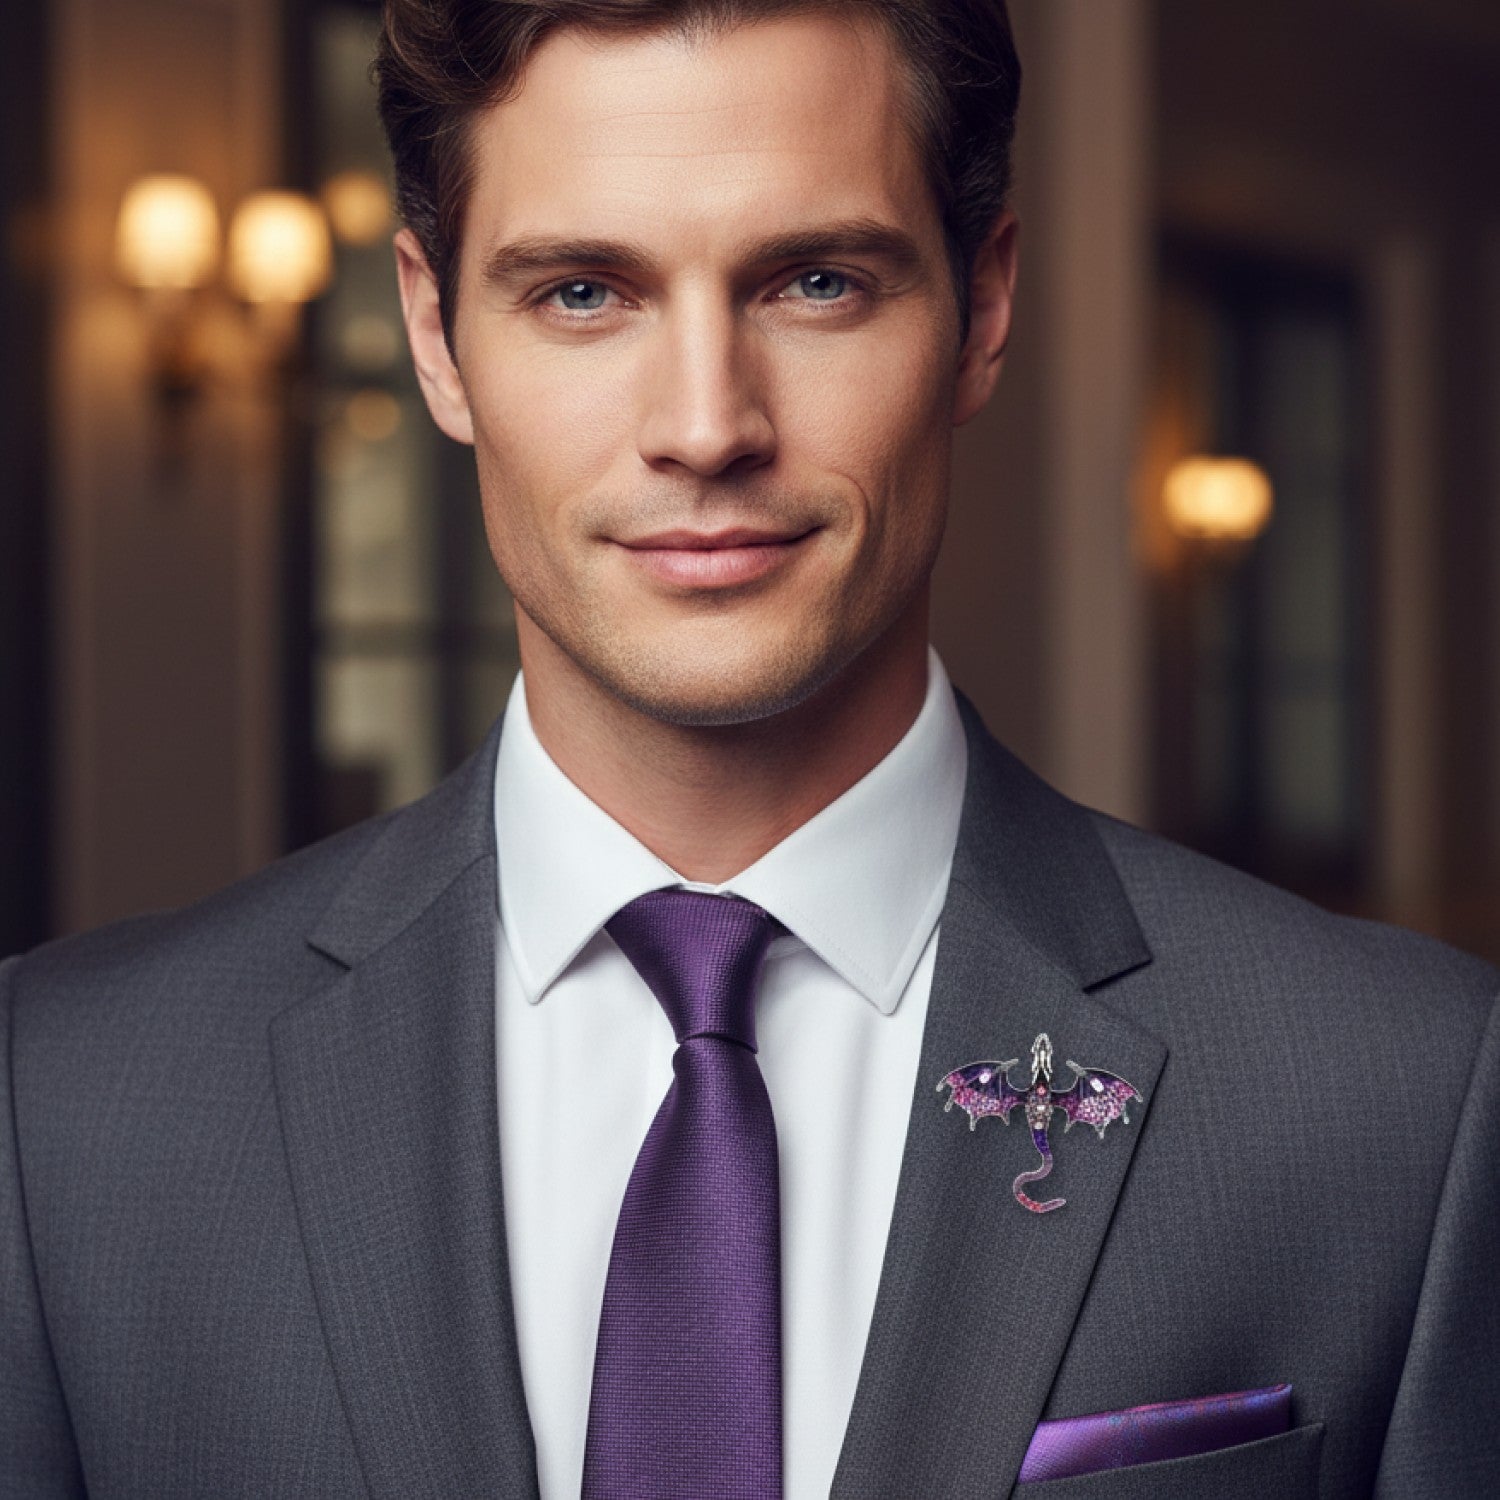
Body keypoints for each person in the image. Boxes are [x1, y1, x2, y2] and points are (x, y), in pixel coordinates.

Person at [3, 1, 1497, 1495]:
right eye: (584, 292)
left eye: (817, 282)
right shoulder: (58, 1107)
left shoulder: (1403, 1097)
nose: (707, 425)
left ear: (981, 309)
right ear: (435, 337)